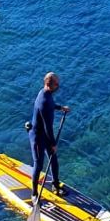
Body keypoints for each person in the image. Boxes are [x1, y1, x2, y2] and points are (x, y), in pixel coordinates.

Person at [28, 72, 71, 201]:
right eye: (56, 84)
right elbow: (48, 127)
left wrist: (61, 108)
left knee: (53, 160)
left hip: (45, 135)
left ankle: (55, 184)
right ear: (48, 84)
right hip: (37, 138)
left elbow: (51, 106)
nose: (58, 86)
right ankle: (34, 193)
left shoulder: (46, 94)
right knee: (39, 165)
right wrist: (53, 144)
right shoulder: (44, 101)